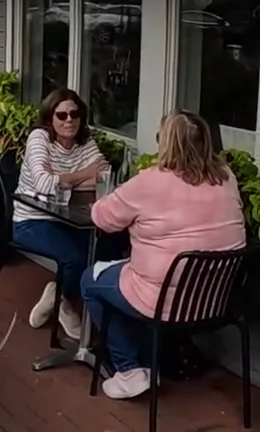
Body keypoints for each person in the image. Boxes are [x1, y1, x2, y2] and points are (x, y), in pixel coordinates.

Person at [81, 111, 246, 400]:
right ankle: (148, 361)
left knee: (90, 281)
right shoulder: (226, 177)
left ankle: (130, 369)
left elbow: (103, 218)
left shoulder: (150, 182)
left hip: (163, 301)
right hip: (216, 301)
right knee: (138, 276)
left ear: (166, 143)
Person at [13, 88, 109, 341]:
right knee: (74, 259)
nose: (69, 120)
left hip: (69, 218)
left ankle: (58, 295)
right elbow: (44, 184)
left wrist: (63, 179)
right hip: (30, 219)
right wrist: (82, 174)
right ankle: (65, 305)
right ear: (50, 119)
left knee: (102, 251)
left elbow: (104, 176)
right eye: (62, 115)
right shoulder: (39, 138)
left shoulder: (85, 142)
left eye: (74, 114)